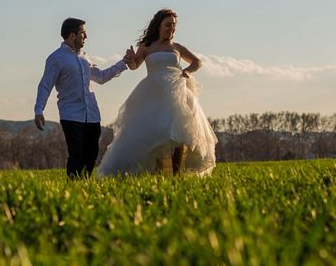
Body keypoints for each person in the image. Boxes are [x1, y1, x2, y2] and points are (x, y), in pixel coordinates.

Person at [97, 9, 217, 177]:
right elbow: (134, 66)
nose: (171, 29)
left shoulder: (176, 47)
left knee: (179, 134)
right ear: (159, 25)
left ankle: (176, 174)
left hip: (177, 93)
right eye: (168, 25)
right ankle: (157, 174)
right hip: (153, 93)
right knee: (157, 134)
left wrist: (188, 71)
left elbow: (197, 62)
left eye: (174, 26)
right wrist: (131, 59)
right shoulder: (146, 46)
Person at [34, 17, 132, 178]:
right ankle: (73, 188)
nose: (86, 37)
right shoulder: (56, 58)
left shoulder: (85, 57)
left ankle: (85, 187)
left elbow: (100, 77)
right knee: (77, 154)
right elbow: (45, 85)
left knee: (91, 155)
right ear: (72, 35)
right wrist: (39, 110)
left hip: (92, 114)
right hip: (71, 115)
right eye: (83, 33)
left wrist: (123, 62)